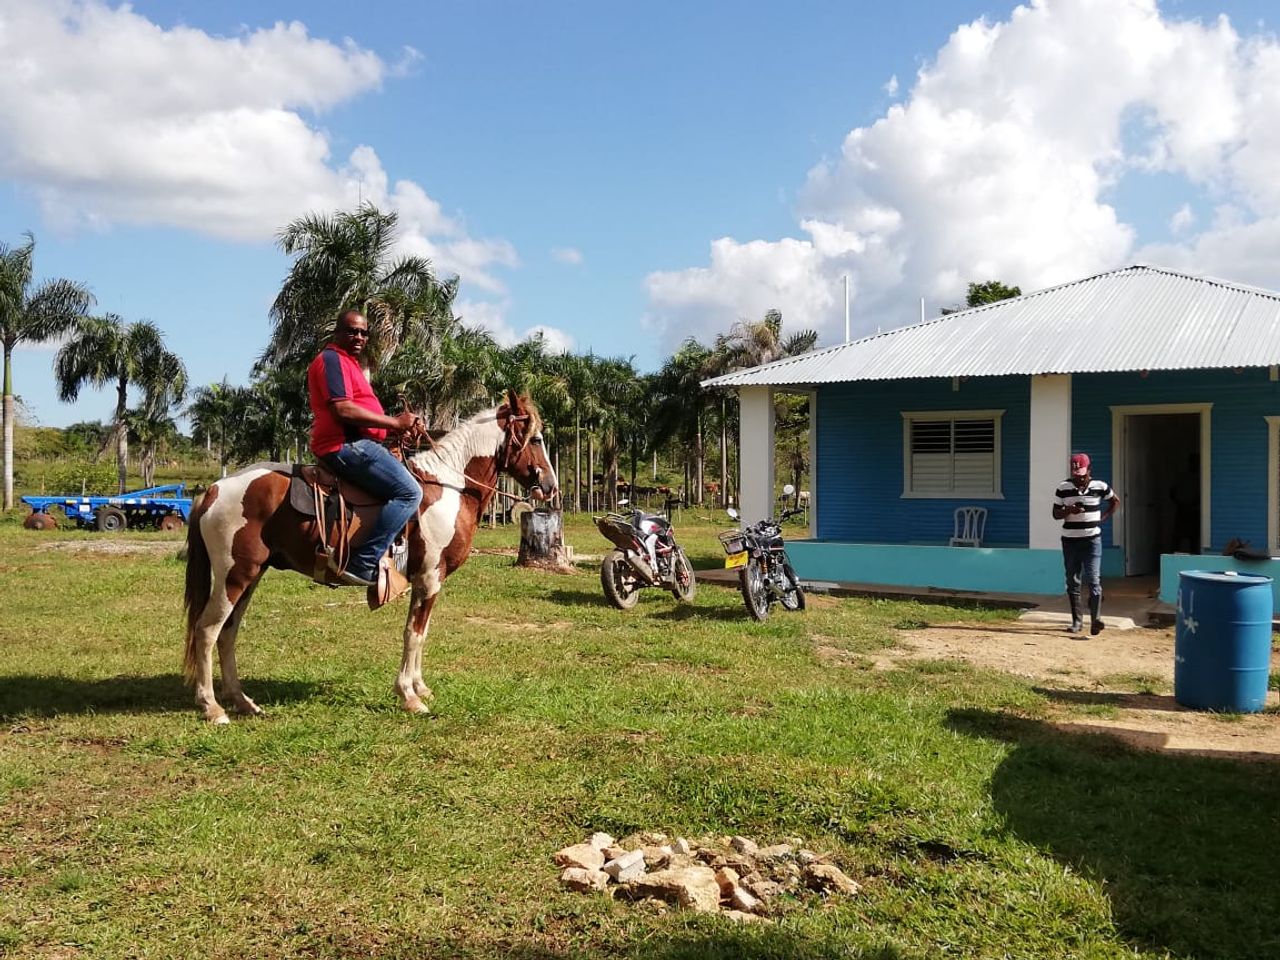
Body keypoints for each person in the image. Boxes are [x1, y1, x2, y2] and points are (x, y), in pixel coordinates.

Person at [307, 310, 423, 586]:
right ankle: (364, 562)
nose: (359, 336)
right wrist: (395, 422)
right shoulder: (332, 359)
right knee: (410, 492)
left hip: (358, 442)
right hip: (344, 445)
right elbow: (343, 410)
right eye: (352, 330)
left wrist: (393, 430)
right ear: (337, 333)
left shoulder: (349, 364)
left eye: (363, 332)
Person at [1053, 452, 1120, 636]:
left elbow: (1115, 501)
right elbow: (1055, 513)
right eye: (1076, 475)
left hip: (1092, 540)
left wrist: (1102, 518)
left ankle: (1096, 619)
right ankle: (1077, 622)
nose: (1079, 479)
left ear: (1089, 470)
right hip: (1070, 541)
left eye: (1082, 475)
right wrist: (1069, 510)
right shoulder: (1063, 488)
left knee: (1094, 579)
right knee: (1072, 580)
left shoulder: (1100, 486)